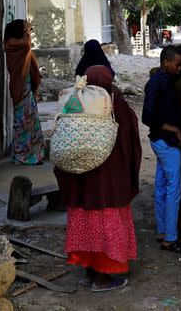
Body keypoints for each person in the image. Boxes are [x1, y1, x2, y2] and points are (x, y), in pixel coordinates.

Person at [54, 66, 141, 292]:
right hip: (108, 186)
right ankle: (104, 277)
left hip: (80, 183)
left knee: (85, 224)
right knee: (107, 226)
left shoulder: (76, 103)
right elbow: (131, 145)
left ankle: (90, 272)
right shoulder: (116, 105)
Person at [142, 46, 181, 254]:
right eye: (177, 64)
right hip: (165, 141)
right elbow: (147, 117)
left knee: (161, 186)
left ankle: (163, 231)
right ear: (165, 62)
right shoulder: (157, 83)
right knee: (173, 189)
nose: (179, 69)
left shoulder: (164, 80)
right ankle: (170, 237)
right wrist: (175, 130)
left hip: (162, 141)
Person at [4, 19, 45, 165]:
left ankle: (28, 153)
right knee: (24, 122)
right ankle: (25, 155)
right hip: (21, 88)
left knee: (29, 120)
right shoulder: (14, 44)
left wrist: (26, 29)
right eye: (26, 28)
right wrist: (27, 30)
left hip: (24, 87)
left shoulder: (14, 43)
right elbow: (27, 43)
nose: (29, 31)